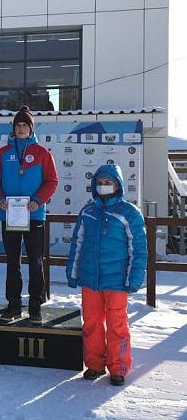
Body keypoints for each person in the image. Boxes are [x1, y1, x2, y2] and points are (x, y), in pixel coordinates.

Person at [66, 164, 147, 386]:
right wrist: (72, 272)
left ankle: (118, 367)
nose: (103, 187)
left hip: (117, 280)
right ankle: (94, 364)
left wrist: (134, 278)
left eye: (108, 183)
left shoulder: (129, 212)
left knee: (116, 323)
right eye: (99, 183)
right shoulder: (88, 211)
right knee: (91, 322)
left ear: (118, 185)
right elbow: (78, 244)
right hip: (90, 279)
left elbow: (138, 249)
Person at [0, 105, 58, 325]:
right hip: (9, 215)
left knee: (35, 261)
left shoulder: (41, 153)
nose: (20, 128)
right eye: (17, 125)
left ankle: (35, 306)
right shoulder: (3, 153)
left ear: (31, 128)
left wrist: (38, 200)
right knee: (12, 262)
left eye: (24, 125)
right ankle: (13, 305)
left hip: (34, 216)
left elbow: (52, 181)